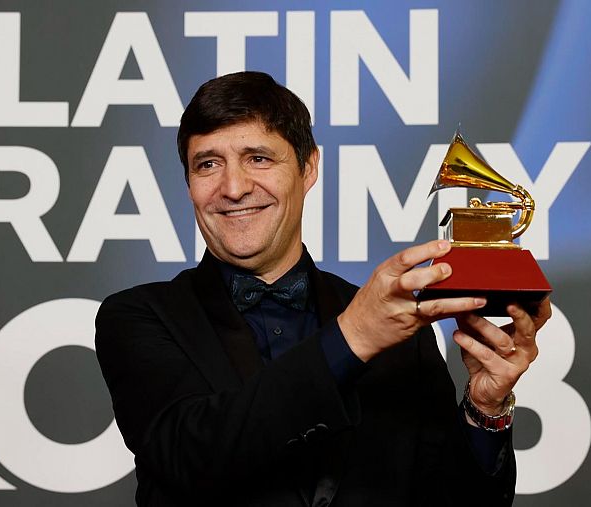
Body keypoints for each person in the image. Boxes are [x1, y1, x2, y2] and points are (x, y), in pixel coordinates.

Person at [95, 71, 550, 507]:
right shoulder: (138, 317)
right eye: (208, 164)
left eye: (258, 158)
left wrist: (485, 409)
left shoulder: (401, 333)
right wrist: (351, 339)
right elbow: (191, 457)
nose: (232, 188)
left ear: (308, 167)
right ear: (189, 184)